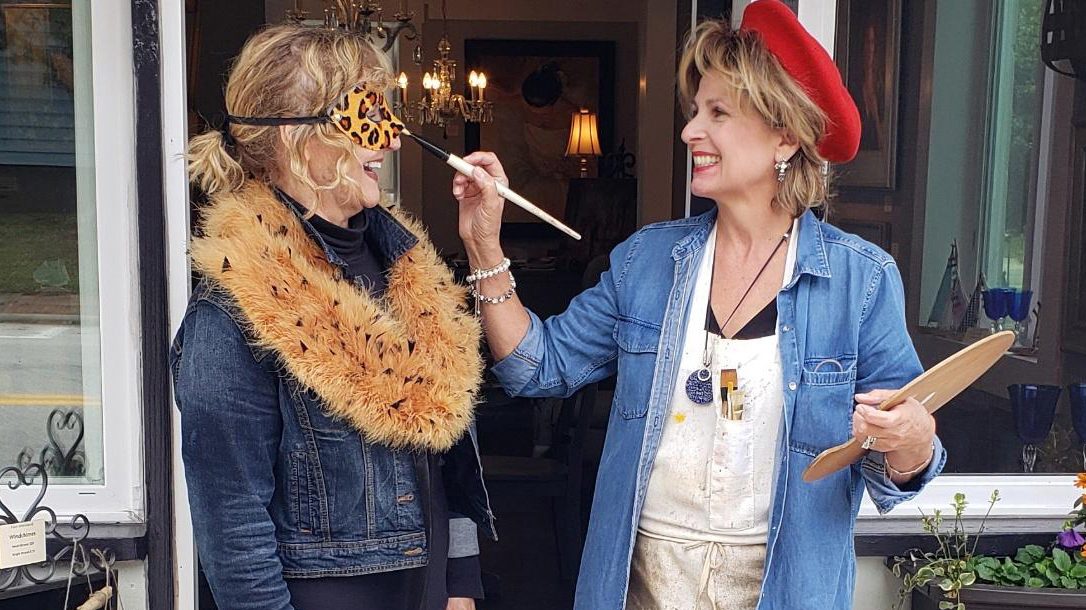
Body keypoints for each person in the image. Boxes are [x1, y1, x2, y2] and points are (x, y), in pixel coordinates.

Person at [451, 1, 945, 608]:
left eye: (718, 113)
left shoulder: (860, 281)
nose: (689, 132)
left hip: (782, 591)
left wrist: (912, 439)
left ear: (785, 136)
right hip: (643, 587)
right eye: (694, 111)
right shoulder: (648, 261)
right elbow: (535, 367)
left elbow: (898, 464)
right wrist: (483, 244)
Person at [171, 23, 493, 610]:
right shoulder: (235, 310)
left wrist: (462, 580)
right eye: (368, 115)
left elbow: (445, 449)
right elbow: (233, 523)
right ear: (296, 137)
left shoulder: (406, 265)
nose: (392, 140)